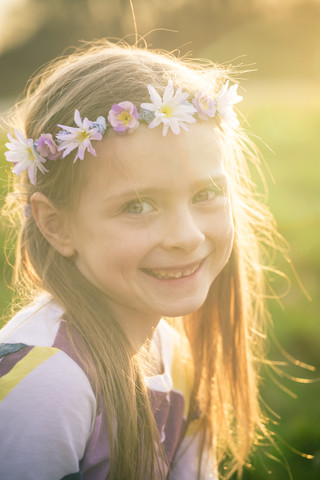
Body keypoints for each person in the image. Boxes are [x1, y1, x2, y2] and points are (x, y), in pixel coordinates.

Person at [0, 40, 279, 480]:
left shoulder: (174, 355)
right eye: (137, 206)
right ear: (57, 225)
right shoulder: (49, 385)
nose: (186, 236)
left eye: (205, 195)